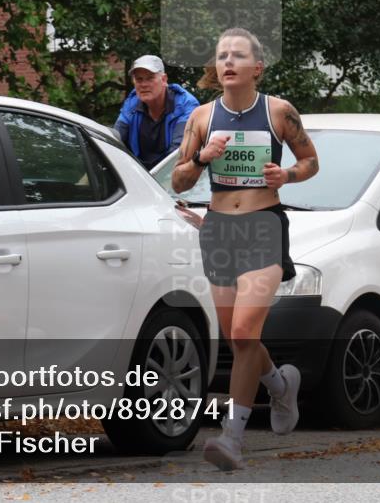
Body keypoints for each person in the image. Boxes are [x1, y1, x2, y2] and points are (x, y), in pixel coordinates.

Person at [171, 28, 319, 471]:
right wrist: (201, 159)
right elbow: (178, 179)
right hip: (217, 229)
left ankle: (232, 437)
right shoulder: (200, 118)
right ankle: (279, 386)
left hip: (263, 226)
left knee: (243, 332)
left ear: (257, 67)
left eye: (238, 55)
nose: (228, 62)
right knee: (240, 338)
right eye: (221, 56)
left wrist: (286, 177)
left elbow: (311, 160)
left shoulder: (278, 112)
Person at [114, 55, 199, 170]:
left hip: (171, 175)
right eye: (139, 79)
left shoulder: (185, 105)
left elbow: (178, 154)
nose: (144, 84)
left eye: (150, 78)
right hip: (138, 173)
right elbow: (115, 140)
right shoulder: (132, 103)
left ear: (164, 80)